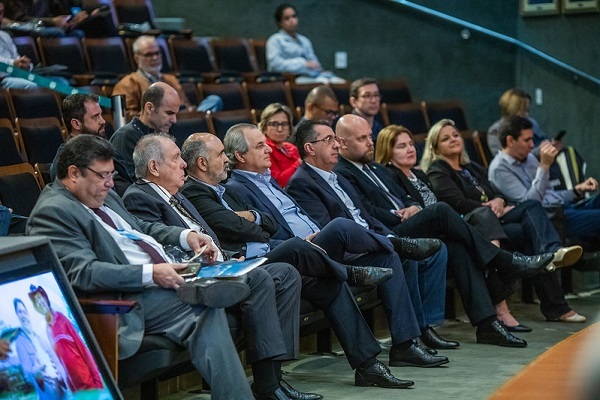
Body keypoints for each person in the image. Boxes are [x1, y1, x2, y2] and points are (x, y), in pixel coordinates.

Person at [179, 135, 427, 390]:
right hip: (248, 264)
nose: (225, 159)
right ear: (202, 163)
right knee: (302, 244)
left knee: (331, 283)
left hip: (269, 251)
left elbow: (269, 224)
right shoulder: (195, 193)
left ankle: (368, 366)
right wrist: (254, 222)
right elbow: (234, 225)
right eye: (220, 154)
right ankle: (351, 270)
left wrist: (252, 218)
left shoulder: (225, 190)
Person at [26, 134, 257, 398]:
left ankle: (208, 287)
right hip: (123, 301)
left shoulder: (103, 193)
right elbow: (84, 273)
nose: (110, 184)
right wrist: (151, 274)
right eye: (103, 175)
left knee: (205, 312)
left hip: (161, 281)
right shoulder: (54, 211)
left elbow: (140, 228)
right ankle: (209, 288)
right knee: (202, 305)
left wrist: (185, 236)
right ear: (74, 173)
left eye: (112, 174)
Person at [223, 123, 465, 374]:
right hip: (296, 252)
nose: (267, 150)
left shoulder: (268, 180)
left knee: (389, 257)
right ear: (240, 156)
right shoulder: (238, 188)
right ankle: (398, 243)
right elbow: (255, 236)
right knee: (341, 226)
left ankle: (403, 345)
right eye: (260, 145)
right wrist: (299, 242)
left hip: (316, 247)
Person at [121, 133, 322, 400]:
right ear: (154, 167)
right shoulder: (140, 196)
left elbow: (207, 237)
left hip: (220, 265)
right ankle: (268, 385)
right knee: (262, 279)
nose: (184, 164)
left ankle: (273, 378)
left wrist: (228, 257)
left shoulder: (177, 195)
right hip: (193, 276)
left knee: (285, 273)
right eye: (176, 158)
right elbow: (160, 247)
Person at [331, 114, 557, 345]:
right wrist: (397, 213)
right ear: (343, 142)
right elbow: (365, 210)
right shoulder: (343, 172)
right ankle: (504, 261)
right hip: (390, 231)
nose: (370, 142)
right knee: (441, 210)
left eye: (370, 136)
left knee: (458, 247)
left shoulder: (376, 169)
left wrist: (414, 205)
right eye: (362, 138)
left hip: (409, 221)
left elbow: (404, 195)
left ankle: (487, 323)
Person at [287, 120, 460, 354]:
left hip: (369, 242)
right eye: (329, 139)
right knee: (398, 253)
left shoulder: (337, 177)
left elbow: (366, 217)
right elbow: (328, 230)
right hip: (344, 254)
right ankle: (407, 342)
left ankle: (409, 341)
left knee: (404, 256)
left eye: (336, 139)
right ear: (310, 148)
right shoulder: (302, 183)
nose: (336, 145)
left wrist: (384, 234)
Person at [412, 121, 585, 324]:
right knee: (531, 226)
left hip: (495, 219)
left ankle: (552, 256)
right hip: (472, 225)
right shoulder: (437, 169)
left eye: (456, 135)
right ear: (435, 146)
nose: (453, 139)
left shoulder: (471, 167)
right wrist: (489, 205)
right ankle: (555, 298)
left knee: (532, 218)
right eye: (445, 138)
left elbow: (495, 192)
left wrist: (499, 201)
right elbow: (455, 203)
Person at [488, 115, 600, 244]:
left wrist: (577, 190)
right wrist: (544, 165)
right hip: (551, 220)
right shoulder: (499, 169)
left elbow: (551, 195)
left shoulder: (528, 158)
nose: (532, 145)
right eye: (527, 140)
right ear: (510, 141)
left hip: (563, 208)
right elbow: (531, 205)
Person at [112, 35, 222, 119]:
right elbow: (126, 116)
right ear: (136, 58)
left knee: (214, 100)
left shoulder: (171, 79)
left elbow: (184, 104)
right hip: (155, 125)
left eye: (157, 53)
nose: (155, 58)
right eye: (149, 54)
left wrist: (189, 109)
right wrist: (161, 113)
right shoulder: (127, 83)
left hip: (180, 119)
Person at [28, 286, 103, 392]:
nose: (40, 302)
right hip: (76, 389)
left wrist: (97, 380)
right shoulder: (47, 331)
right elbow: (59, 361)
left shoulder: (61, 319)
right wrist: (70, 386)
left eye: (40, 298)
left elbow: (83, 348)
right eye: (36, 301)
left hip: (89, 383)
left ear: (45, 298)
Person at [110, 82, 180, 183]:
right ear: (149, 108)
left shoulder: (167, 134)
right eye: (169, 113)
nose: (174, 120)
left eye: (175, 114)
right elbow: (134, 184)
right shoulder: (125, 137)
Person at [266, 3, 345, 84]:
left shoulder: (304, 40)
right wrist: (302, 64)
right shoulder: (275, 40)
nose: (292, 20)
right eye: (287, 18)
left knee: (340, 82)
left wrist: (316, 66)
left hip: (312, 75)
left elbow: (314, 62)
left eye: (294, 16)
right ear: (280, 23)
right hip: (292, 79)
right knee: (323, 84)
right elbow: (274, 65)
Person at [13, 298, 68, 399]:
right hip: (47, 392)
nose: (23, 315)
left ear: (28, 314)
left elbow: (56, 360)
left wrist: (62, 375)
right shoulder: (19, 342)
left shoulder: (40, 338)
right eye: (20, 312)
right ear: (17, 315)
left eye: (24, 312)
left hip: (60, 387)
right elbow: (28, 374)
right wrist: (36, 372)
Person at [487, 88, 549, 156]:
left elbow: (544, 140)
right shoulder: (496, 131)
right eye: (523, 111)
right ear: (510, 109)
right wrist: (540, 151)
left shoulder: (532, 123)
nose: (526, 115)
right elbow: (504, 157)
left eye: (527, 111)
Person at [259, 103, 301, 187]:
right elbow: (277, 182)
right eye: (274, 124)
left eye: (284, 124)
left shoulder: (291, 147)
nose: (280, 129)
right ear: (264, 127)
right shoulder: (264, 150)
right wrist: (299, 163)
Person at [349, 77, 385, 143]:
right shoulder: (347, 129)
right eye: (367, 96)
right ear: (353, 101)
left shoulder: (380, 128)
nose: (373, 100)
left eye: (376, 95)